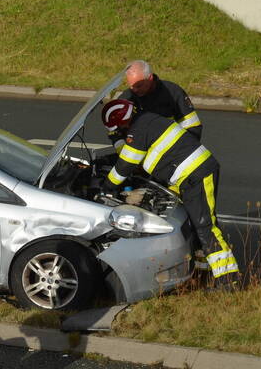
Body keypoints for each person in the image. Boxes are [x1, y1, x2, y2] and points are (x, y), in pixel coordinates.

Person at [101, 99, 239, 288]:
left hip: (194, 175)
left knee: (205, 225)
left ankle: (228, 281)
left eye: (119, 128)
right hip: (188, 175)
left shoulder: (138, 130)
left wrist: (107, 186)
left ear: (123, 122)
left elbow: (126, 164)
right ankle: (202, 270)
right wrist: (115, 137)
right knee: (189, 222)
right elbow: (128, 152)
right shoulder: (145, 120)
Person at [109, 60, 202, 151]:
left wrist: (182, 150)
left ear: (150, 78)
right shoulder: (126, 99)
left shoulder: (173, 93)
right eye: (131, 86)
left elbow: (192, 127)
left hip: (170, 150)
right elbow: (113, 128)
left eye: (139, 86)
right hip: (137, 152)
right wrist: (122, 149)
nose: (135, 90)